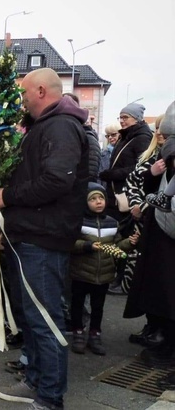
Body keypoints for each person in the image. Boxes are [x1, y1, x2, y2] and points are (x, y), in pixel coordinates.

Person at [0, 68, 89, 410]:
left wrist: (8, 196)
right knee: (33, 316)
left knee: (44, 319)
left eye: (25, 93)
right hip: (32, 234)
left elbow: (57, 181)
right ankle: (35, 381)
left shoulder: (60, 127)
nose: (22, 100)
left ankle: (49, 396)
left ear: (41, 91)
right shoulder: (48, 126)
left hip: (44, 238)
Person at [124, 99, 175, 369]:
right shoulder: (156, 153)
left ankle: (166, 341)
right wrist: (151, 180)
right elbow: (138, 181)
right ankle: (158, 332)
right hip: (155, 225)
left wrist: (151, 199)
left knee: (166, 287)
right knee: (155, 283)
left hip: (166, 229)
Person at [69, 183, 130, 356]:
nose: (98, 202)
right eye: (93, 199)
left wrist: (129, 243)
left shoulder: (112, 223)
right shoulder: (79, 221)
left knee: (98, 306)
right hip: (81, 273)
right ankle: (78, 332)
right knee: (78, 304)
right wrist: (87, 246)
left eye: (101, 198)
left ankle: (95, 334)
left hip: (103, 274)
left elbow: (117, 245)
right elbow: (70, 243)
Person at [99, 102, 153, 224]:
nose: (122, 121)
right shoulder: (126, 136)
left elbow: (142, 167)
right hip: (117, 193)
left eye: (125, 117)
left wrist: (113, 174)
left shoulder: (142, 138)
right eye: (120, 117)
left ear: (137, 118)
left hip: (128, 195)